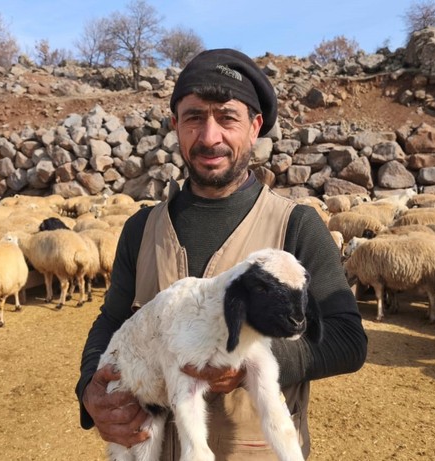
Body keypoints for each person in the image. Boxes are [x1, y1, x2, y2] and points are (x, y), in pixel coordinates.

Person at [76, 48, 367, 460]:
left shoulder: (296, 226)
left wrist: (245, 357)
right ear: (175, 125)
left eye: (227, 117)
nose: (210, 137)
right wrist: (90, 387)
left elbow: (348, 340)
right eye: (194, 117)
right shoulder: (142, 229)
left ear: (255, 126)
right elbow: (112, 320)